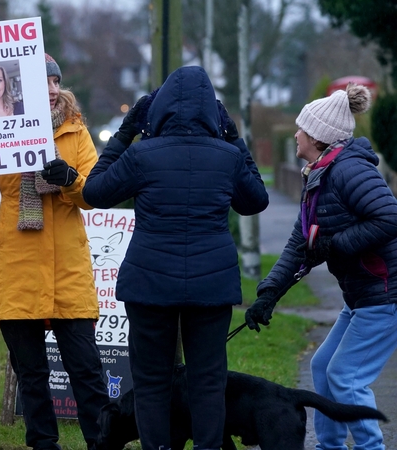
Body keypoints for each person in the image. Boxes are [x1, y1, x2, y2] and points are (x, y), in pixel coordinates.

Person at [81, 65, 269, 450]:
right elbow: (256, 201)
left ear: (158, 108)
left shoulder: (143, 155)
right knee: (208, 380)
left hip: (149, 283)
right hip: (211, 285)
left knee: (151, 382)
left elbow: (94, 192)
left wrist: (124, 133)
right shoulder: (226, 157)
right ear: (213, 113)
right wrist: (236, 140)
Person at [0, 54, 109, 450]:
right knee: (31, 375)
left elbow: (94, 195)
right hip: (16, 269)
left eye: (55, 82)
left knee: (87, 371)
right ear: (24, 91)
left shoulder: (75, 132)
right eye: (43, 83)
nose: (51, 90)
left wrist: (70, 180)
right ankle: (43, 445)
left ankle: (102, 444)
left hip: (68, 271)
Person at [245, 83, 397, 450]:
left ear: (317, 136)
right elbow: (300, 241)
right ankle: (329, 446)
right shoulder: (318, 175)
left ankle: (370, 447)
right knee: (322, 367)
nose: (295, 133)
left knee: (346, 376)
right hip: (361, 295)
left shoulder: (348, 170)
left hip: (384, 293)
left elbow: (389, 217)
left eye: (301, 128)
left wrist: (335, 245)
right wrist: (268, 293)